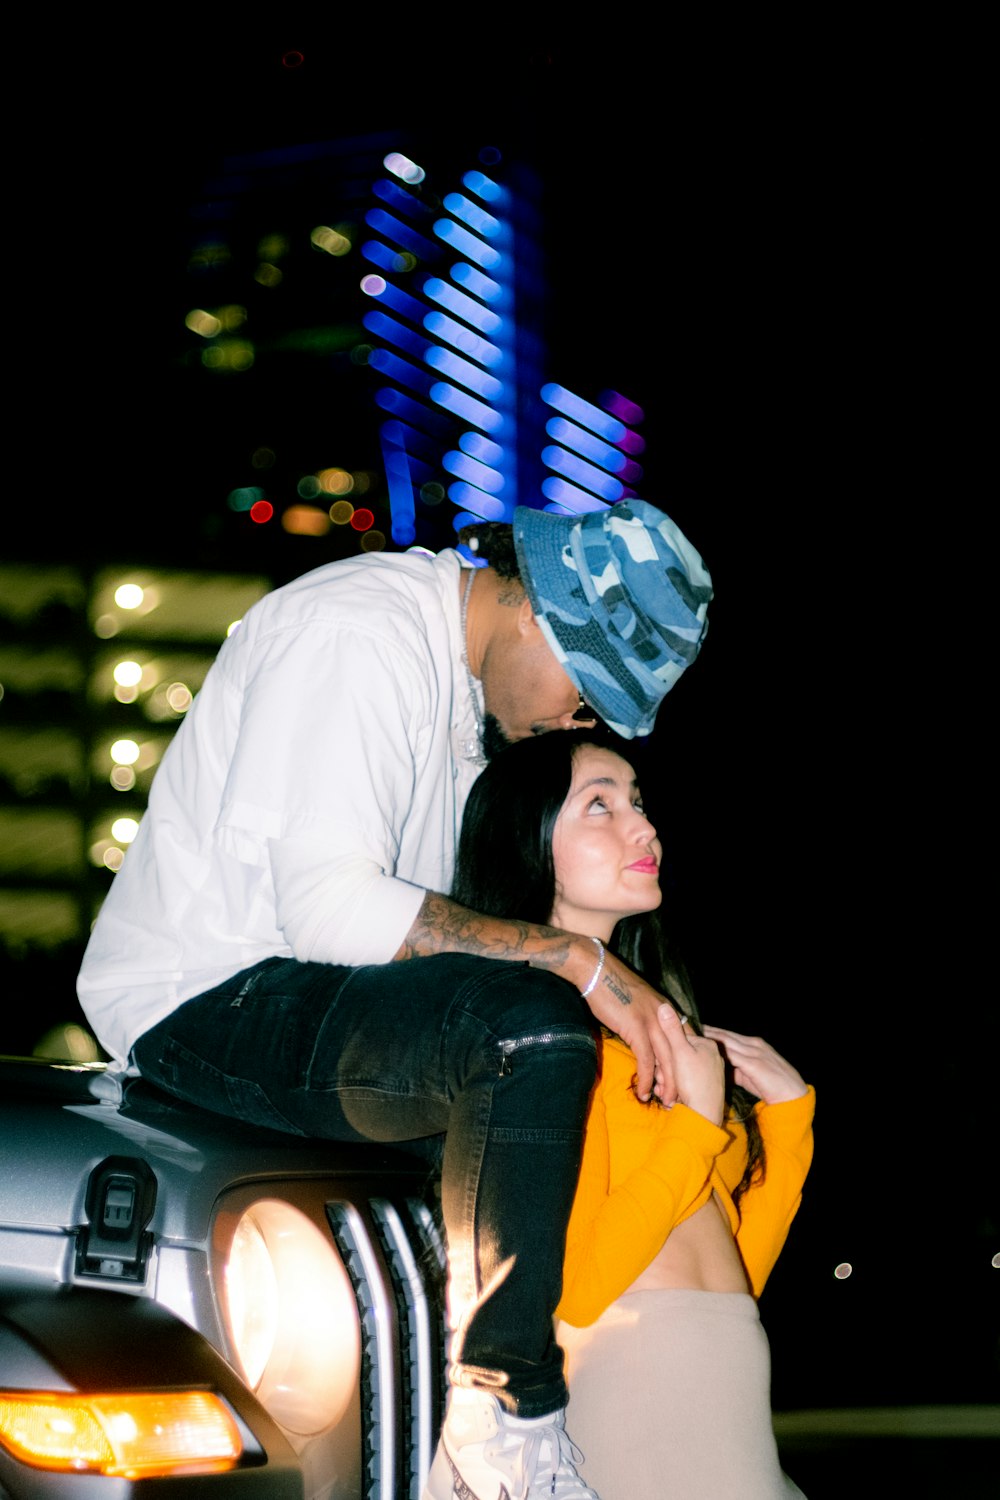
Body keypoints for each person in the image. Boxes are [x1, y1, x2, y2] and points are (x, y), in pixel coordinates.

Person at [76, 498, 714, 1500]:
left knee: (512, 1137)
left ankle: (447, 1450)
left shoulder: (463, 699)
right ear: (536, 614)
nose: (570, 720)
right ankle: (506, 1404)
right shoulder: (358, 631)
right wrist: (585, 968)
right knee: (526, 1031)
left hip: (323, 1006)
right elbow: (332, 912)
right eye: (585, 693)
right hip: (201, 994)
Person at [450, 728, 815, 1500]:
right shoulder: (542, 1038)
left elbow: (731, 1281)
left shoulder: (654, 1028)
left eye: (638, 803)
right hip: (636, 1399)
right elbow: (580, 1288)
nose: (643, 826)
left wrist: (788, 1123)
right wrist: (696, 1122)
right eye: (600, 805)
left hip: (723, 1404)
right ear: (528, 842)